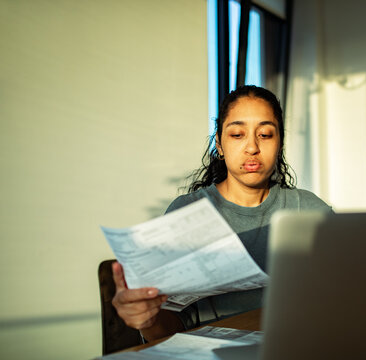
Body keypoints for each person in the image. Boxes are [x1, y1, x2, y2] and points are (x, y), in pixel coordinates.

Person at [111, 85, 332, 341]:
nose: (252, 147)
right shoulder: (187, 214)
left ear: (279, 142)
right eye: (237, 134)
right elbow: (168, 330)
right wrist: (146, 320)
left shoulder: (310, 210)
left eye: (265, 134)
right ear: (220, 144)